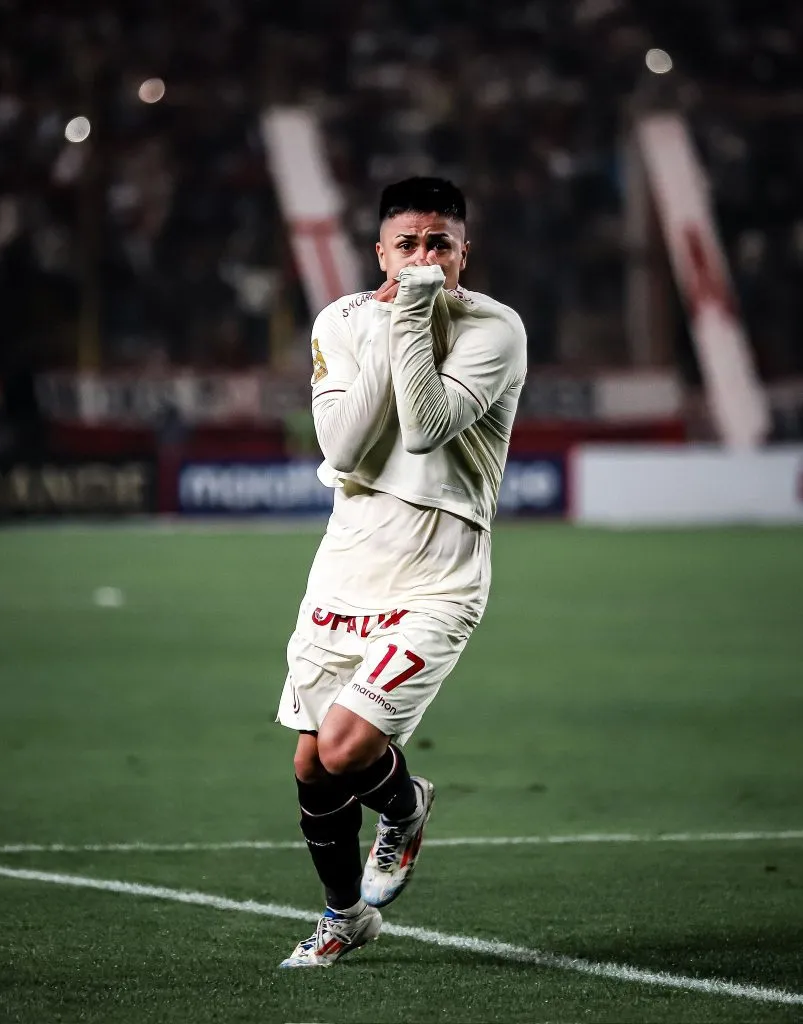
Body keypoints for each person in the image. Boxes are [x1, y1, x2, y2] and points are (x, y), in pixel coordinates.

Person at [275, 177, 527, 968]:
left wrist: (411, 313)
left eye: (439, 244)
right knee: (311, 763)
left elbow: (422, 430)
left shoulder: (493, 328)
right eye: (407, 244)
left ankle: (404, 802)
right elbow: (343, 451)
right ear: (379, 251)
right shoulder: (342, 320)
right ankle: (343, 915)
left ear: (463, 252)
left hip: (439, 572)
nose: (423, 258)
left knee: (348, 748)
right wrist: (388, 324)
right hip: (349, 559)